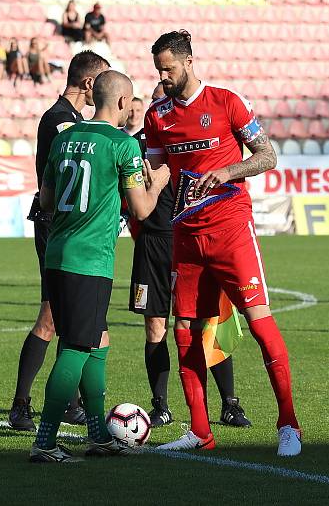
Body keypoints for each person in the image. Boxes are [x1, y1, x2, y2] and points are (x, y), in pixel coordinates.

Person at [144, 30, 303, 456]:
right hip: (186, 239)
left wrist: (230, 171)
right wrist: (137, 190)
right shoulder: (157, 116)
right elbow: (159, 174)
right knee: (185, 330)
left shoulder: (228, 101)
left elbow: (267, 156)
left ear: (189, 62)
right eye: (159, 69)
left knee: (258, 321)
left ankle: (288, 424)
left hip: (232, 231)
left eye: (169, 68)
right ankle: (200, 431)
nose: (163, 75)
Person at [29, 70, 171, 462]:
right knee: (76, 348)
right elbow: (142, 208)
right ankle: (44, 442)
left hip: (58, 253)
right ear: (124, 103)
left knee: (98, 341)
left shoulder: (64, 137)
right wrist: (158, 181)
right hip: (89, 261)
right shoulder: (123, 145)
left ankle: (98, 435)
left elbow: (46, 199)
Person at [128, 86, 252, 429]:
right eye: (157, 99)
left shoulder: (194, 134)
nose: (164, 104)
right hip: (152, 247)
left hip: (192, 241)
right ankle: (161, 406)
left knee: (209, 324)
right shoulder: (136, 146)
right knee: (155, 326)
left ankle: (229, 403)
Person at [8, 51, 111, 431]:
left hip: (67, 226)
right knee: (51, 317)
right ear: (88, 84)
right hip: (56, 225)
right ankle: (21, 405)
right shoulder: (59, 121)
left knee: (73, 321)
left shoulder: (73, 121)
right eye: (100, 81)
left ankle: (72, 403)